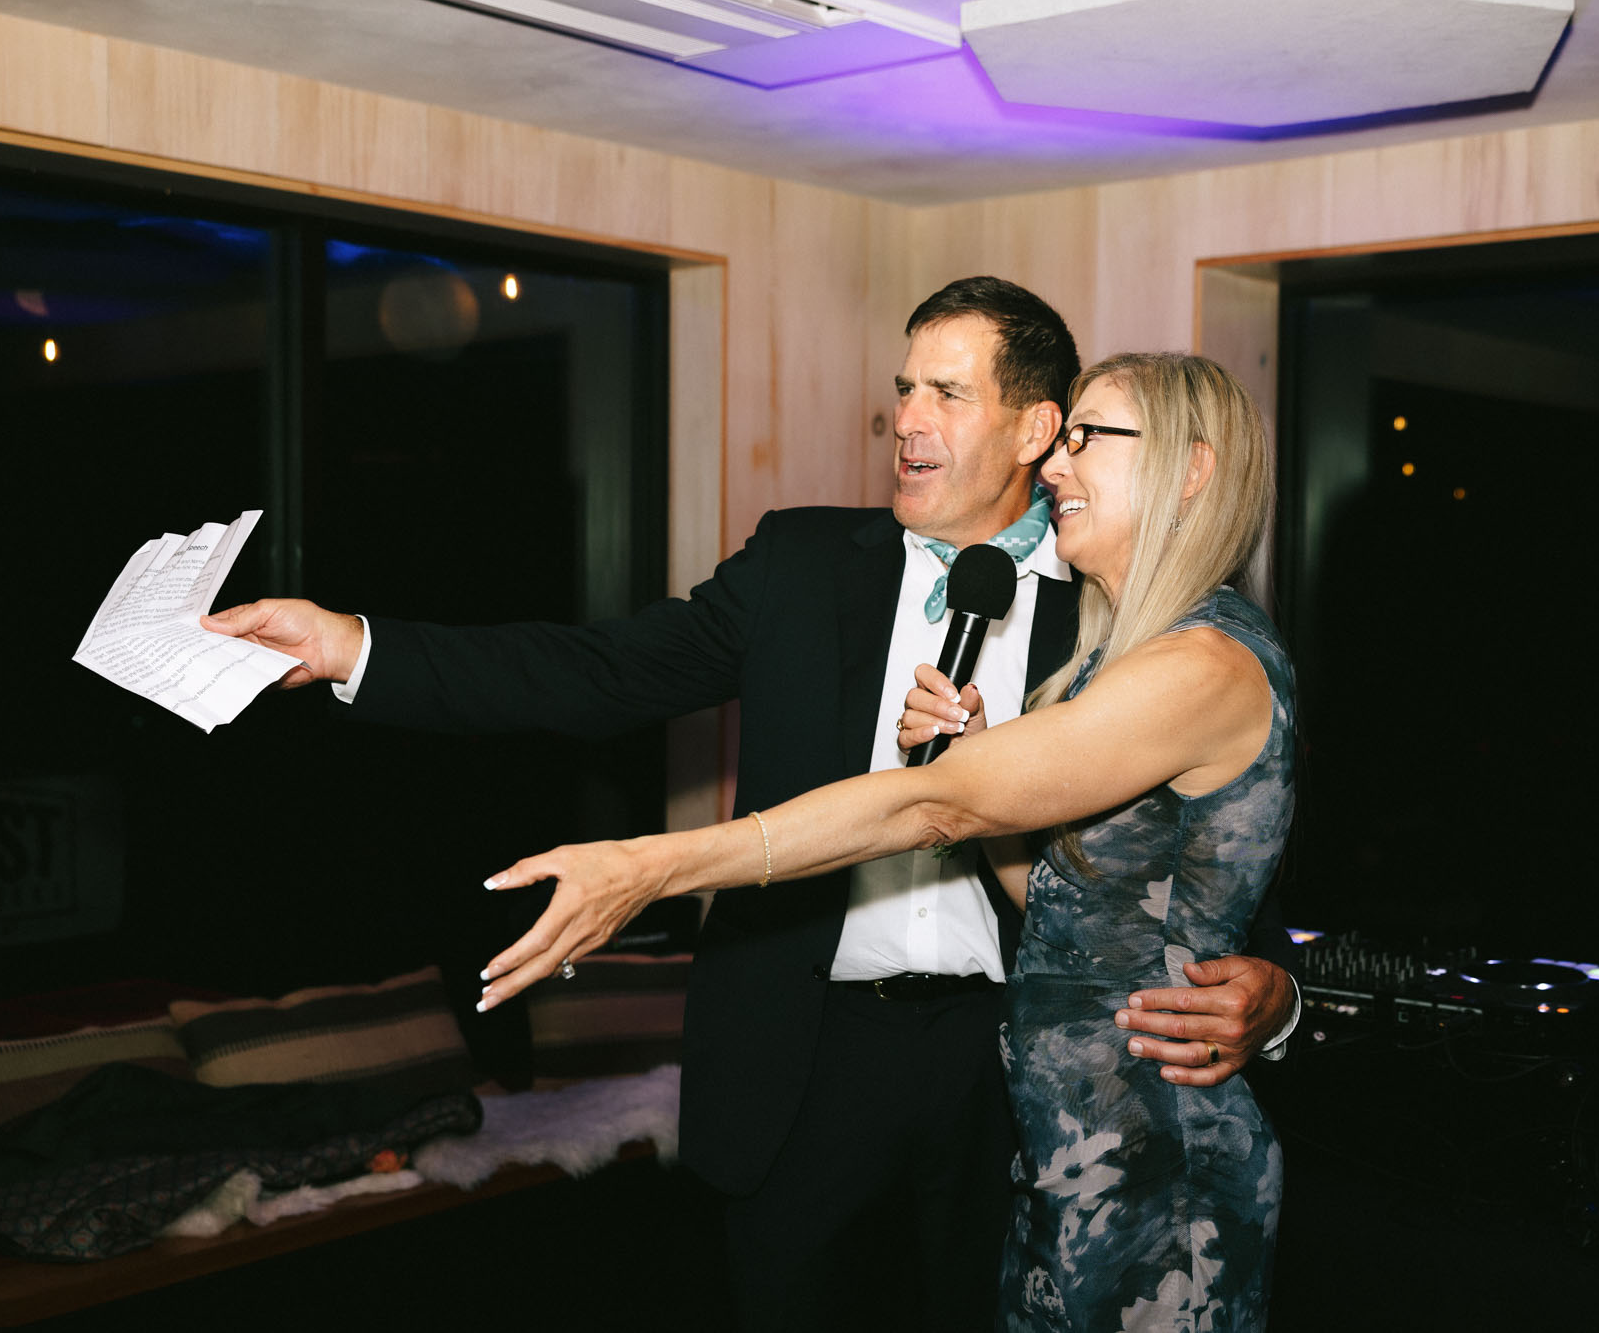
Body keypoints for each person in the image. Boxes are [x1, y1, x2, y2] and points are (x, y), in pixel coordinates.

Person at [202, 281, 1297, 1331]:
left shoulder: (1117, 606)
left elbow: (1199, 853)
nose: (907, 419)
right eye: (903, 390)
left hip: (1013, 1074)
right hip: (806, 1052)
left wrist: (1275, 988)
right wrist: (353, 646)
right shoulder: (801, 564)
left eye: (947, 394)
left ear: (1034, 429)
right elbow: (595, 671)